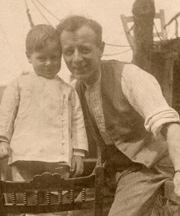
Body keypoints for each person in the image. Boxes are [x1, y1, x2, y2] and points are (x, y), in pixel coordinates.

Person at [56, 15, 180, 216]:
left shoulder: (128, 76)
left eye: (85, 49)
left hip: (148, 167)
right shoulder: (74, 91)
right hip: (110, 172)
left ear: (101, 49)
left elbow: (170, 125)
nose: (76, 59)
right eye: (69, 52)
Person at [0, 24, 88, 188]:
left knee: (58, 199)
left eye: (54, 57)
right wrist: (2, 141)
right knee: (26, 197)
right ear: (29, 57)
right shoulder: (19, 85)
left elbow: (77, 123)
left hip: (58, 157)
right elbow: (6, 114)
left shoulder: (68, 90)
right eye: (41, 58)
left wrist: (78, 153)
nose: (49, 63)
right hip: (25, 155)